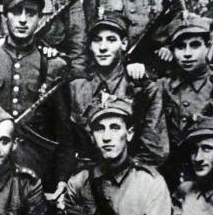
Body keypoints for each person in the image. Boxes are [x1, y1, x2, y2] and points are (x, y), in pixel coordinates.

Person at [0, 0, 74, 191]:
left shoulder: (54, 65)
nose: (23, 20)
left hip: (36, 170)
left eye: (31, 13)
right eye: (16, 11)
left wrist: (61, 179)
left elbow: (64, 133)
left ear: (39, 19)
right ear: (5, 16)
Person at [70, 10, 168, 167]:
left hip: (130, 176)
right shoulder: (77, 88)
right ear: (90, 46)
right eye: (97, 40)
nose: (103, 47)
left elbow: (155, 151)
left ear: (124, 44)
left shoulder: (144, 88)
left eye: (111, 40)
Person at [65, 96, 172, 215]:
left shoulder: (150, 183)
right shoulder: (79, 183)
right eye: (99, 129)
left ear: (129, 134)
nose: (106, 137)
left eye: (115, 128)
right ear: (92, 137)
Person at [158, 13, 213, 185]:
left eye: (195, 45)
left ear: (208, 46)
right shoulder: (164, 87)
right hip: (170, 178)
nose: (187, 53)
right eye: (181, 47)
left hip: (212, 179)